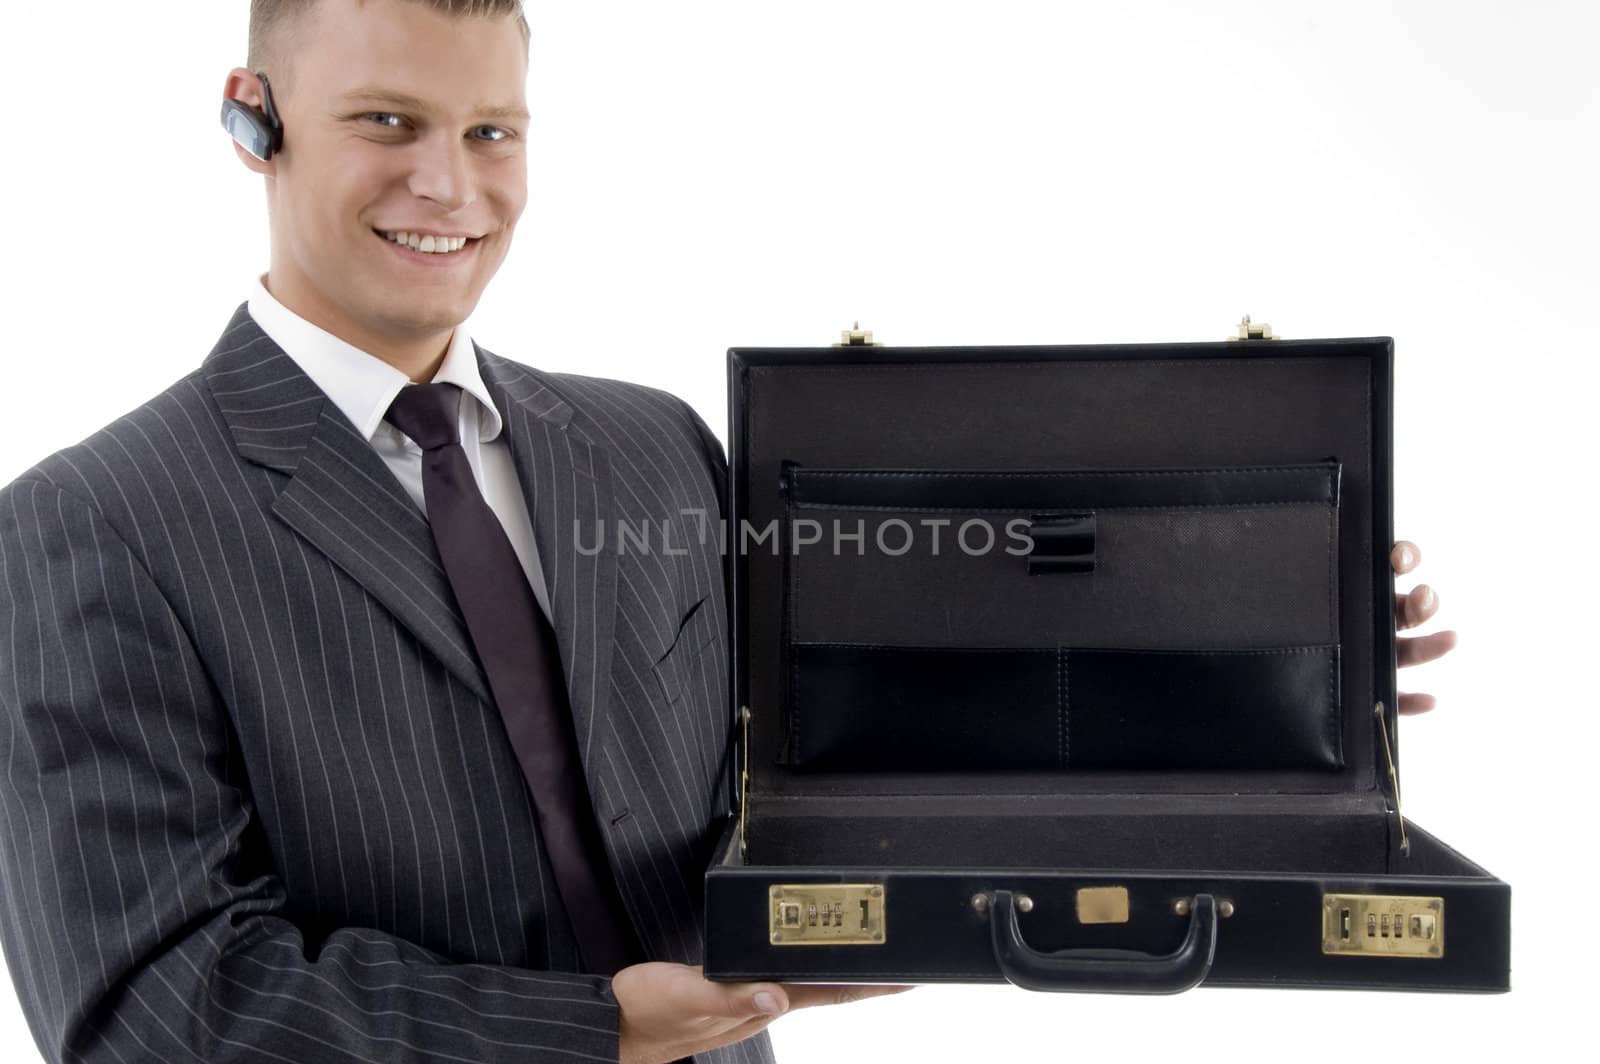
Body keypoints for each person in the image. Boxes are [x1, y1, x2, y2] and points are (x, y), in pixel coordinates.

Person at [0, 2, 1457, 1063]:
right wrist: (589, 1035)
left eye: (491, 131)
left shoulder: (652, 444)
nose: (450, 186)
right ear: (252, 117)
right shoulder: (87, 528)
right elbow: (149, 1010)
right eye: (387, 123)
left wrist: (1260, 646)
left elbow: (854, 712)